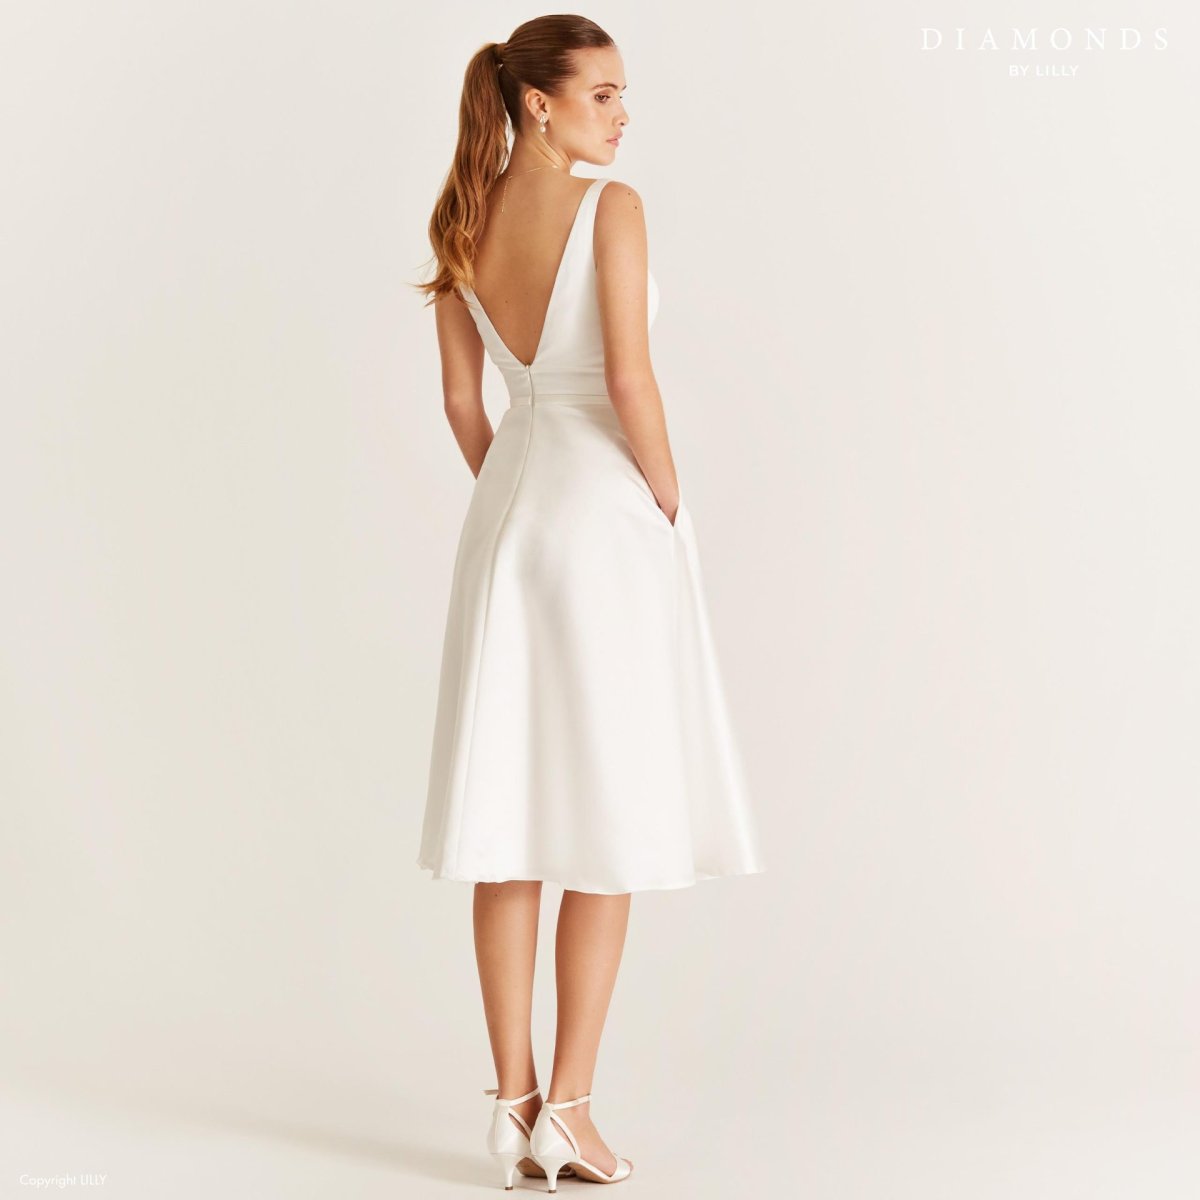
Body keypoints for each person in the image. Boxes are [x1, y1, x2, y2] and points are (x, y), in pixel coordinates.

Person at [413, 15, 766, 1191]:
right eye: (603, 94)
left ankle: (512, 1106)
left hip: (506, 519)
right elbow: (627, 376)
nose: (623, 114)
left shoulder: (458, 221)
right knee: (606, 812)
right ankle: (569, 1109)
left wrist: (516, 499)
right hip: (603, 519)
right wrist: (665, 502)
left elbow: (464, 406)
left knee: (507, 818)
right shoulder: (612, 209)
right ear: (540, 103)